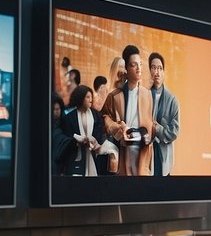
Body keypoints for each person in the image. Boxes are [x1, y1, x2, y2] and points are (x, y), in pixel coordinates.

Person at [100, 44, 155, 176]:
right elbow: (104, 118)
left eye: (140, 64)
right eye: (133, 65)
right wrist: (114, 127)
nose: (138, 68)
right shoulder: (114, 96)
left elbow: (150, 124)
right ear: (126, 68)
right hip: (122, 155)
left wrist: (147, 135)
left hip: (142, 155)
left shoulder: (147, 95)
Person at [57, 84, 108, 176]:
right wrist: (77, 139)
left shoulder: (96, 115)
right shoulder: (70, 117)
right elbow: (67, 134)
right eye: (87, 97)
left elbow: (99, 132)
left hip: (92, 152)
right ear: (80, 98)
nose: (90, 100)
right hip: (76, 153)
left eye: (91, 97)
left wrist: (93, 140)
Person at [148, 51, 180, 177]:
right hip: (145, 156)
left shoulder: (172, 100)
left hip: (163, 157)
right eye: (154, 67)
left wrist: (157, 129)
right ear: (149, 70)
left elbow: (174, 132)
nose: (157, 72)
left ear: (164, 72)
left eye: (160, 68)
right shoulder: (143, 95)